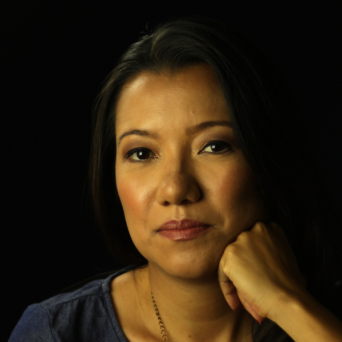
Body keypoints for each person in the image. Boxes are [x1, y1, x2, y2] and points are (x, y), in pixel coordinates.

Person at [9, 15, 342, 342]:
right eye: (141, 154)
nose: (176, 189)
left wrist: (288, 304)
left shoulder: (323, 317)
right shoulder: (56, 332)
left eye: (213, 146)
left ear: (268, 161)